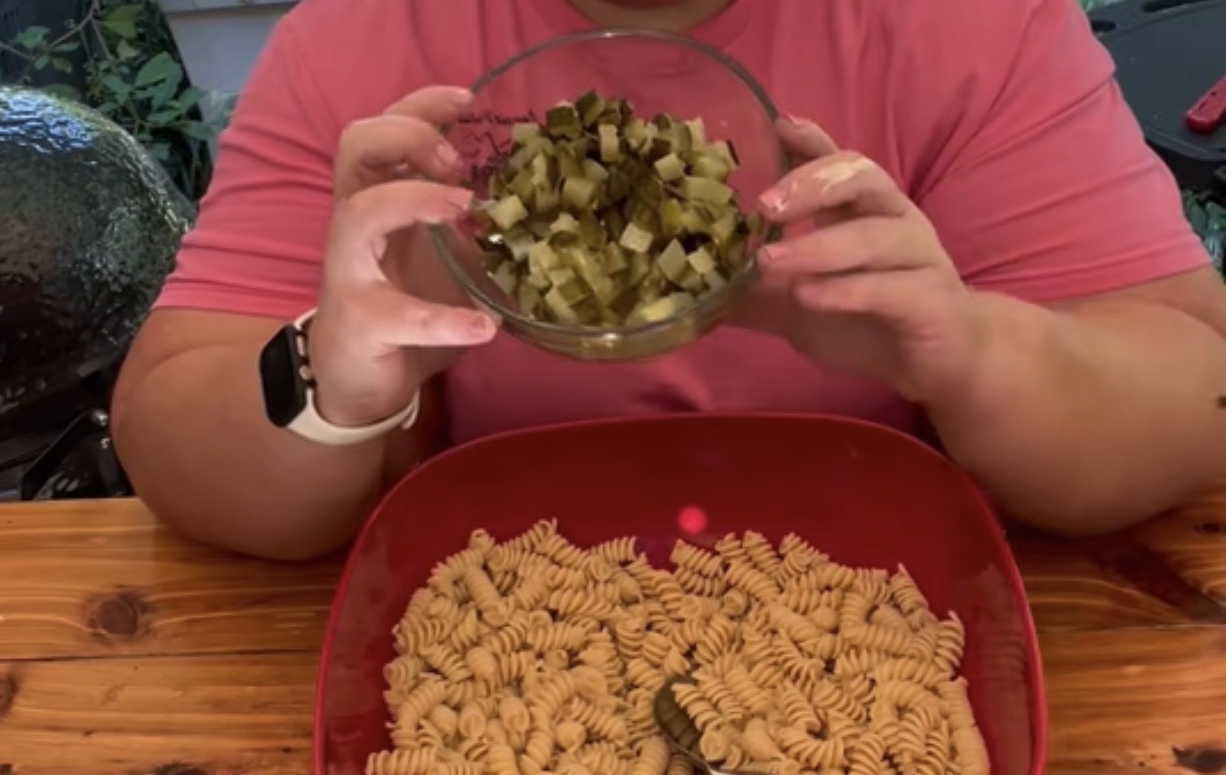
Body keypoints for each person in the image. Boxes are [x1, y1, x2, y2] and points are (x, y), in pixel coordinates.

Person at [111, 0, 1226, 561]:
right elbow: (169, 427)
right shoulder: (358, 39)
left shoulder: (973, 26)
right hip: (515, 633)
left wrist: (977, 353)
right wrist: (331, 380)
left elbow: (1197, 382)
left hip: (869, 617)